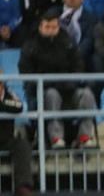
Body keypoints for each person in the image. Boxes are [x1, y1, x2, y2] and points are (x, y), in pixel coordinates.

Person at [19, 9, 99, 149]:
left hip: (69, 89)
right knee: (52, 95)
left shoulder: (68, 43)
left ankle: (85, 136)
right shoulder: (30, 46)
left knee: (86, 94)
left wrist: (72, 81)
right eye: (47, 27)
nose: (51, 30)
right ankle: (56, 138)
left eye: (54, 27)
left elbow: (78, 65)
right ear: (40, 27)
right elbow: (26, 73)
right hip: (43, 91)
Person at [1, 74, 34, 196]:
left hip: (6, 139)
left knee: (22, 145)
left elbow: (18, 107)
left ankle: (24, 189)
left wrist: (1, 104)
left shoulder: (10, 95)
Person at [57, 0, 98, 66]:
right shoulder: (54, 14)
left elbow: (89, 40)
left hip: (80, 55)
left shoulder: (91, 18)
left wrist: (74, 54)